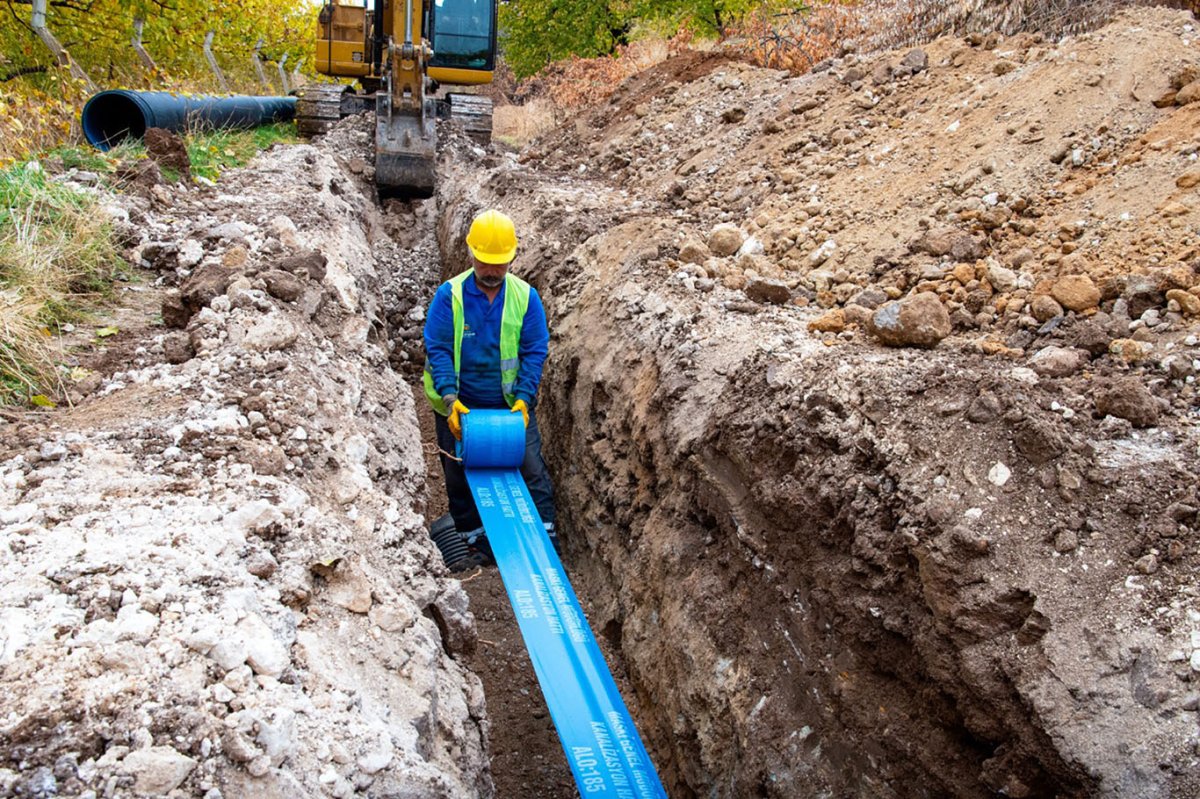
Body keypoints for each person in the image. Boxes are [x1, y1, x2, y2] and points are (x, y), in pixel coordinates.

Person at [422, 209, 558, 568]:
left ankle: (544, 538)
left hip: (509, 403)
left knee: (530, 466)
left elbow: (534, 350)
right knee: (458, 471)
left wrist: (525, 399)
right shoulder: (448, 296)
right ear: (471, 255)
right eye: (485, 263)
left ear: (513, 257)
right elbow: (437, 349)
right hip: (458, 404)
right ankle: (474, 538)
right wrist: (450, 399)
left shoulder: (526, 298)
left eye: (500, 263)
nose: (493, 271)